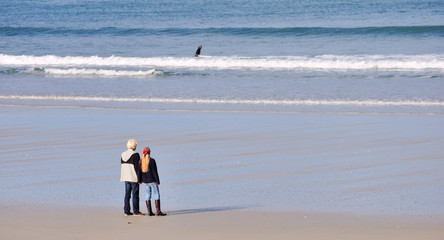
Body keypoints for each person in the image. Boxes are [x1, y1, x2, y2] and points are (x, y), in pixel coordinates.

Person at [120, 139, 145, 216]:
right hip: (133, 177)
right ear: (134, 146)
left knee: (127, 195)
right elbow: (137, 168)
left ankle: (126, 211)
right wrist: (140, 178)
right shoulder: (135, 154)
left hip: (125, 177)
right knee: (135, 195)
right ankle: (136, 211)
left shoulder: (123, 154)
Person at [140, 147, 167, 216]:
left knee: (147, 195)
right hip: (152, 180)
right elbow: (155, 172)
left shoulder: (140, 161)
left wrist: (139, 180)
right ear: (149, 152)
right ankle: (158, 211)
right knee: (156, 194)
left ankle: (149, 212)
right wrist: (158, 181)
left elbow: (138, 172)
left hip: (145, 181)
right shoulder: (152, 160)